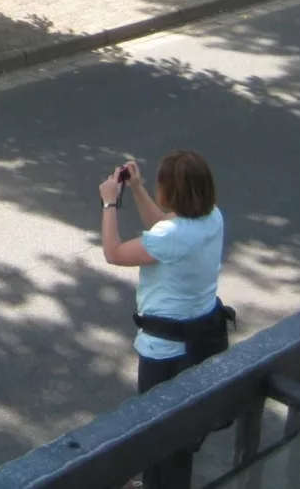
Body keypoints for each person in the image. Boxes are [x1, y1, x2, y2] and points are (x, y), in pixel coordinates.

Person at [99, 151, 229, 489]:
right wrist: (138, 189)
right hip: (199, 338)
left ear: (171, 192)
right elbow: (164, 227)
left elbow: (114, 253)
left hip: (164, 349)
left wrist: (109, 203)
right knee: (178, 429)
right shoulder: (212, 218)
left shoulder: (172, 237)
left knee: (161, 434)